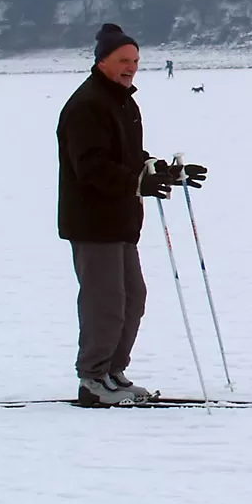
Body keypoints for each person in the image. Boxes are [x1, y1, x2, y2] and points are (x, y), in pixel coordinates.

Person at [58, 24, 207, 406]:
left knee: (132, 298)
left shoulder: (123, 101)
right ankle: (92, 377)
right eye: (124, 60)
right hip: (94, 222)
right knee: (105, 301)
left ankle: (113, 371)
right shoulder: (87, 105)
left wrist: (167, 172)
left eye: (136, 61)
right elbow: (90, 167)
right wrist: (137, 184)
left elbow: (129, 158)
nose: (131, 68)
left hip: (121, 220)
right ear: (102, 61)